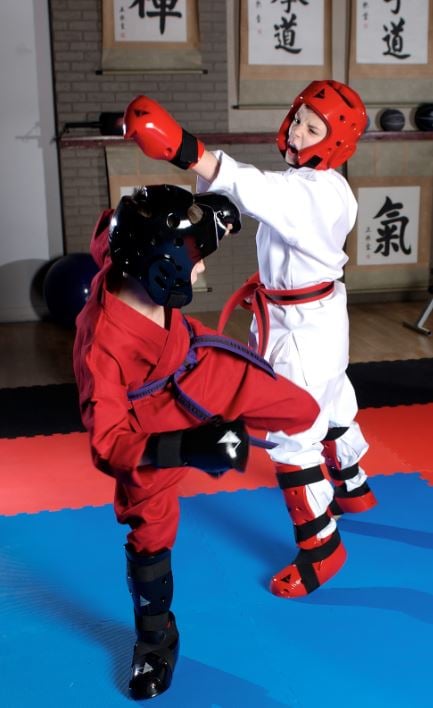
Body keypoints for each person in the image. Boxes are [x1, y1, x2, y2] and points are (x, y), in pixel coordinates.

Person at [122, 79, 378, 604]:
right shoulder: (325, 186)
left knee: (292, 428)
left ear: (334, 142)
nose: (300, 131)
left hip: (300, 326)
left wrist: (183, 149)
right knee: (332, 398)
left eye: (314, 128)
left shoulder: (308, 192)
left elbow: (254, 188)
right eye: (300, 118)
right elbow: (268, 201)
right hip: (317, 314)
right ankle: (353, 484)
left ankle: (322, 546)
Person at [73, 183, 320, 700]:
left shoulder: (123, 244)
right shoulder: (103, 346)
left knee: (305, 412)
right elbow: (108, 444)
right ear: (159, 266)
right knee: (149, 532)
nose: (201, 267)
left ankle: (336, 464)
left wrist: (211, 217)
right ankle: (156, 640)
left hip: (198, 364)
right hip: (149, 425)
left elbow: (120, 221)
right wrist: (187, 447)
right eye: (192, 257)